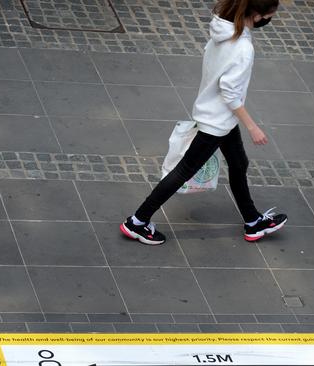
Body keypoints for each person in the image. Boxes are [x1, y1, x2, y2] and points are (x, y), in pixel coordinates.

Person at [120, 0, 287, 245]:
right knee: (183, 171)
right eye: (270, 14)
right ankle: (138, 221)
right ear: (258, 15)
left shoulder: (222, 31)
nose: (271, 19)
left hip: (216, 115)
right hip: (217, 121)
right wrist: (252, 126)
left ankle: (253, 221)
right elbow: (229, 91)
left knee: (239, 164)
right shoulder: (242, 47)